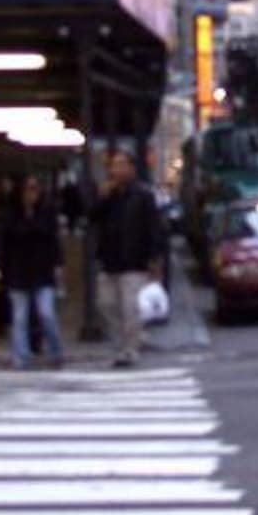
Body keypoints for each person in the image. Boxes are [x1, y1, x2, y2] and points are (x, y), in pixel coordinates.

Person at [91, 148, 165, 368]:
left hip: (134, 261)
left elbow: (154, 228)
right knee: (106, 303)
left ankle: (129, 349)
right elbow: (92, 217)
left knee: (130, 307)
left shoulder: (143, 195)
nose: (118, 170)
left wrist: (154, 258)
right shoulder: (108, 195)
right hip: (109, 260)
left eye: (122, 165)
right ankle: (122, 341)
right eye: (115, 165)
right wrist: (103, 197)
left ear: (132, 169)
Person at [0, 172, 64, 370]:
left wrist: (58, 265)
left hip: (42, 269)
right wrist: (0, 267)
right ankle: (21, 356)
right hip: (18, 270)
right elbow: (5, 241)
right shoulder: (11, 214)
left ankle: (56, 350)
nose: (31, 194)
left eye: (35, 189)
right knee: (20, 316)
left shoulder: (47, 212)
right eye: (27, 189)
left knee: (46, 313)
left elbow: (52, 240)